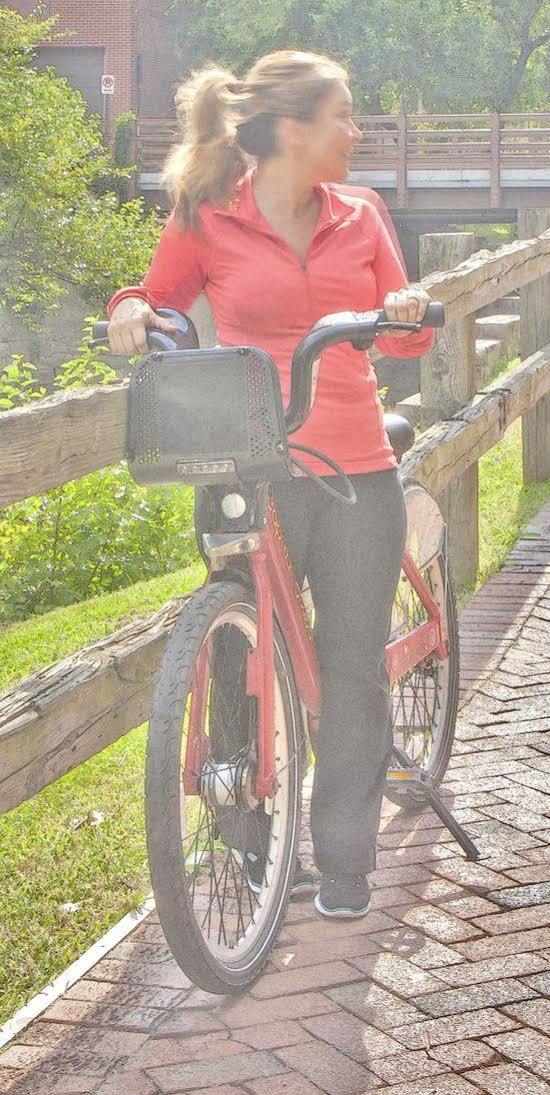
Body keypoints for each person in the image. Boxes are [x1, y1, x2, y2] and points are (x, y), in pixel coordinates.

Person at [105, 50, 436, 921]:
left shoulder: (361, 215)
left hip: (353, 467)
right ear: (295, 129)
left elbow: (403, 342)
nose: (357, 133)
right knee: (234, 650)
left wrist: (404, 312)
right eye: (345, 116)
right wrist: (129, 310)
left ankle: (343, 861)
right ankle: (255, 843)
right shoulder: (207, 215)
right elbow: (157, 298)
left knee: (351, 662)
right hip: (247, 464)